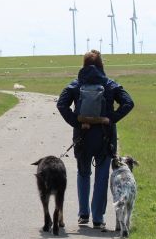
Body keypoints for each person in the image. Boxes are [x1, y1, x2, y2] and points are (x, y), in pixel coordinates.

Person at [57, 50, 134, 229]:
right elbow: (129, 102)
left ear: (84, 65)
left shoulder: (76, 84)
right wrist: (111, 118)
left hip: (82, 137)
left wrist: (76, 121)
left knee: (83, 174)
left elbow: (61, 104)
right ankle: (98, 218)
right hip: (105, 138)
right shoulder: (109, 84)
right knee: (101, 176)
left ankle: (83, 214)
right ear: (101, 65)